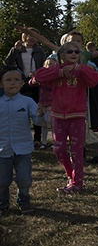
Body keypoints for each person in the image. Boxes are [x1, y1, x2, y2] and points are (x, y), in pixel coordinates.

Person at [35, 41, 98, 194]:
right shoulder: (56, 69)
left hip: (77, 116)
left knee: (77, 150)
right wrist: (59, 72)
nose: (73, 54)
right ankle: (71, 175)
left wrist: (81, 68)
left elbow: (95, 79)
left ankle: (77, 183)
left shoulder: (83, 70)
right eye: (69, 51)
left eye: (77, 52)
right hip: (58, 116)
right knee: (58, 149)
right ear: (62, 55)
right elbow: (39, 76)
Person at [0, 66, 38, 216]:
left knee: (24, 179)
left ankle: (23, 200)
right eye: (8, 80)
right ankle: (2, 204)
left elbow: (39, 119)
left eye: (16, 80)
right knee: (2, 181)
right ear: (1, 84)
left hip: (24, 149)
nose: (13, 83)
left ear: (22, 83)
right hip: (2, 149)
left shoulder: (28, 101)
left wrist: (43, 115)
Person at [5, 28, 46, 146]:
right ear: (24, 36)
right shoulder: (19, 49)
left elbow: (44, 66)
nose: (32, 38)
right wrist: (14, 49)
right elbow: (8, 63)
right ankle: (22, 137)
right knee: (21, 110)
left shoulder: (39, 51)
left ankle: (37, 139)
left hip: (35, 82)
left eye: (34, 36)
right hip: (21, 82)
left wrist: (37, 73)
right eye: (30, 35)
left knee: (37, 110)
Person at [28, 58, 58, 149]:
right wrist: (34, 79)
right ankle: (44, 142)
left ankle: (55, 142)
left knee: (53, 124)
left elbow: (52, 87)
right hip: (42, 103)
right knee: (43, 124)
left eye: (52, 64)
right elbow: (31, 83)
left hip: (52, 103)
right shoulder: (41, 76)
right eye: (48, 64)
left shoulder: (55, 76)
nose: (50, 66)